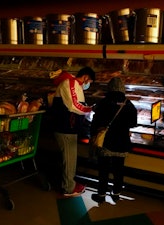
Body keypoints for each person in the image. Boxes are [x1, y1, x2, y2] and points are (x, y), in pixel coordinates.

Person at [90, 77, 137, 203]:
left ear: (109, 88)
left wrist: (93, 134)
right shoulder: (128, 103)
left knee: (103, 170)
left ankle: (101, 195)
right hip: (122, 143)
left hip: (106, 142)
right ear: (122, 88)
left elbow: (95, 121)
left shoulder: (104, 102)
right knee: (119, 170)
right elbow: (134, 123)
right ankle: (116, 193)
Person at [51, 66, 95, 197]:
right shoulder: (70, 83)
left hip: (70, 127)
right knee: (69, 159)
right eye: (90, 82)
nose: (89, 85)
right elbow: (73, 105)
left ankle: (70, 183)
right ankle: (68, 189)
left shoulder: (76, 85)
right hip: (65, 128)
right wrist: (90, 110)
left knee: (70, 158)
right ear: (86, 77)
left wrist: (87, 113)